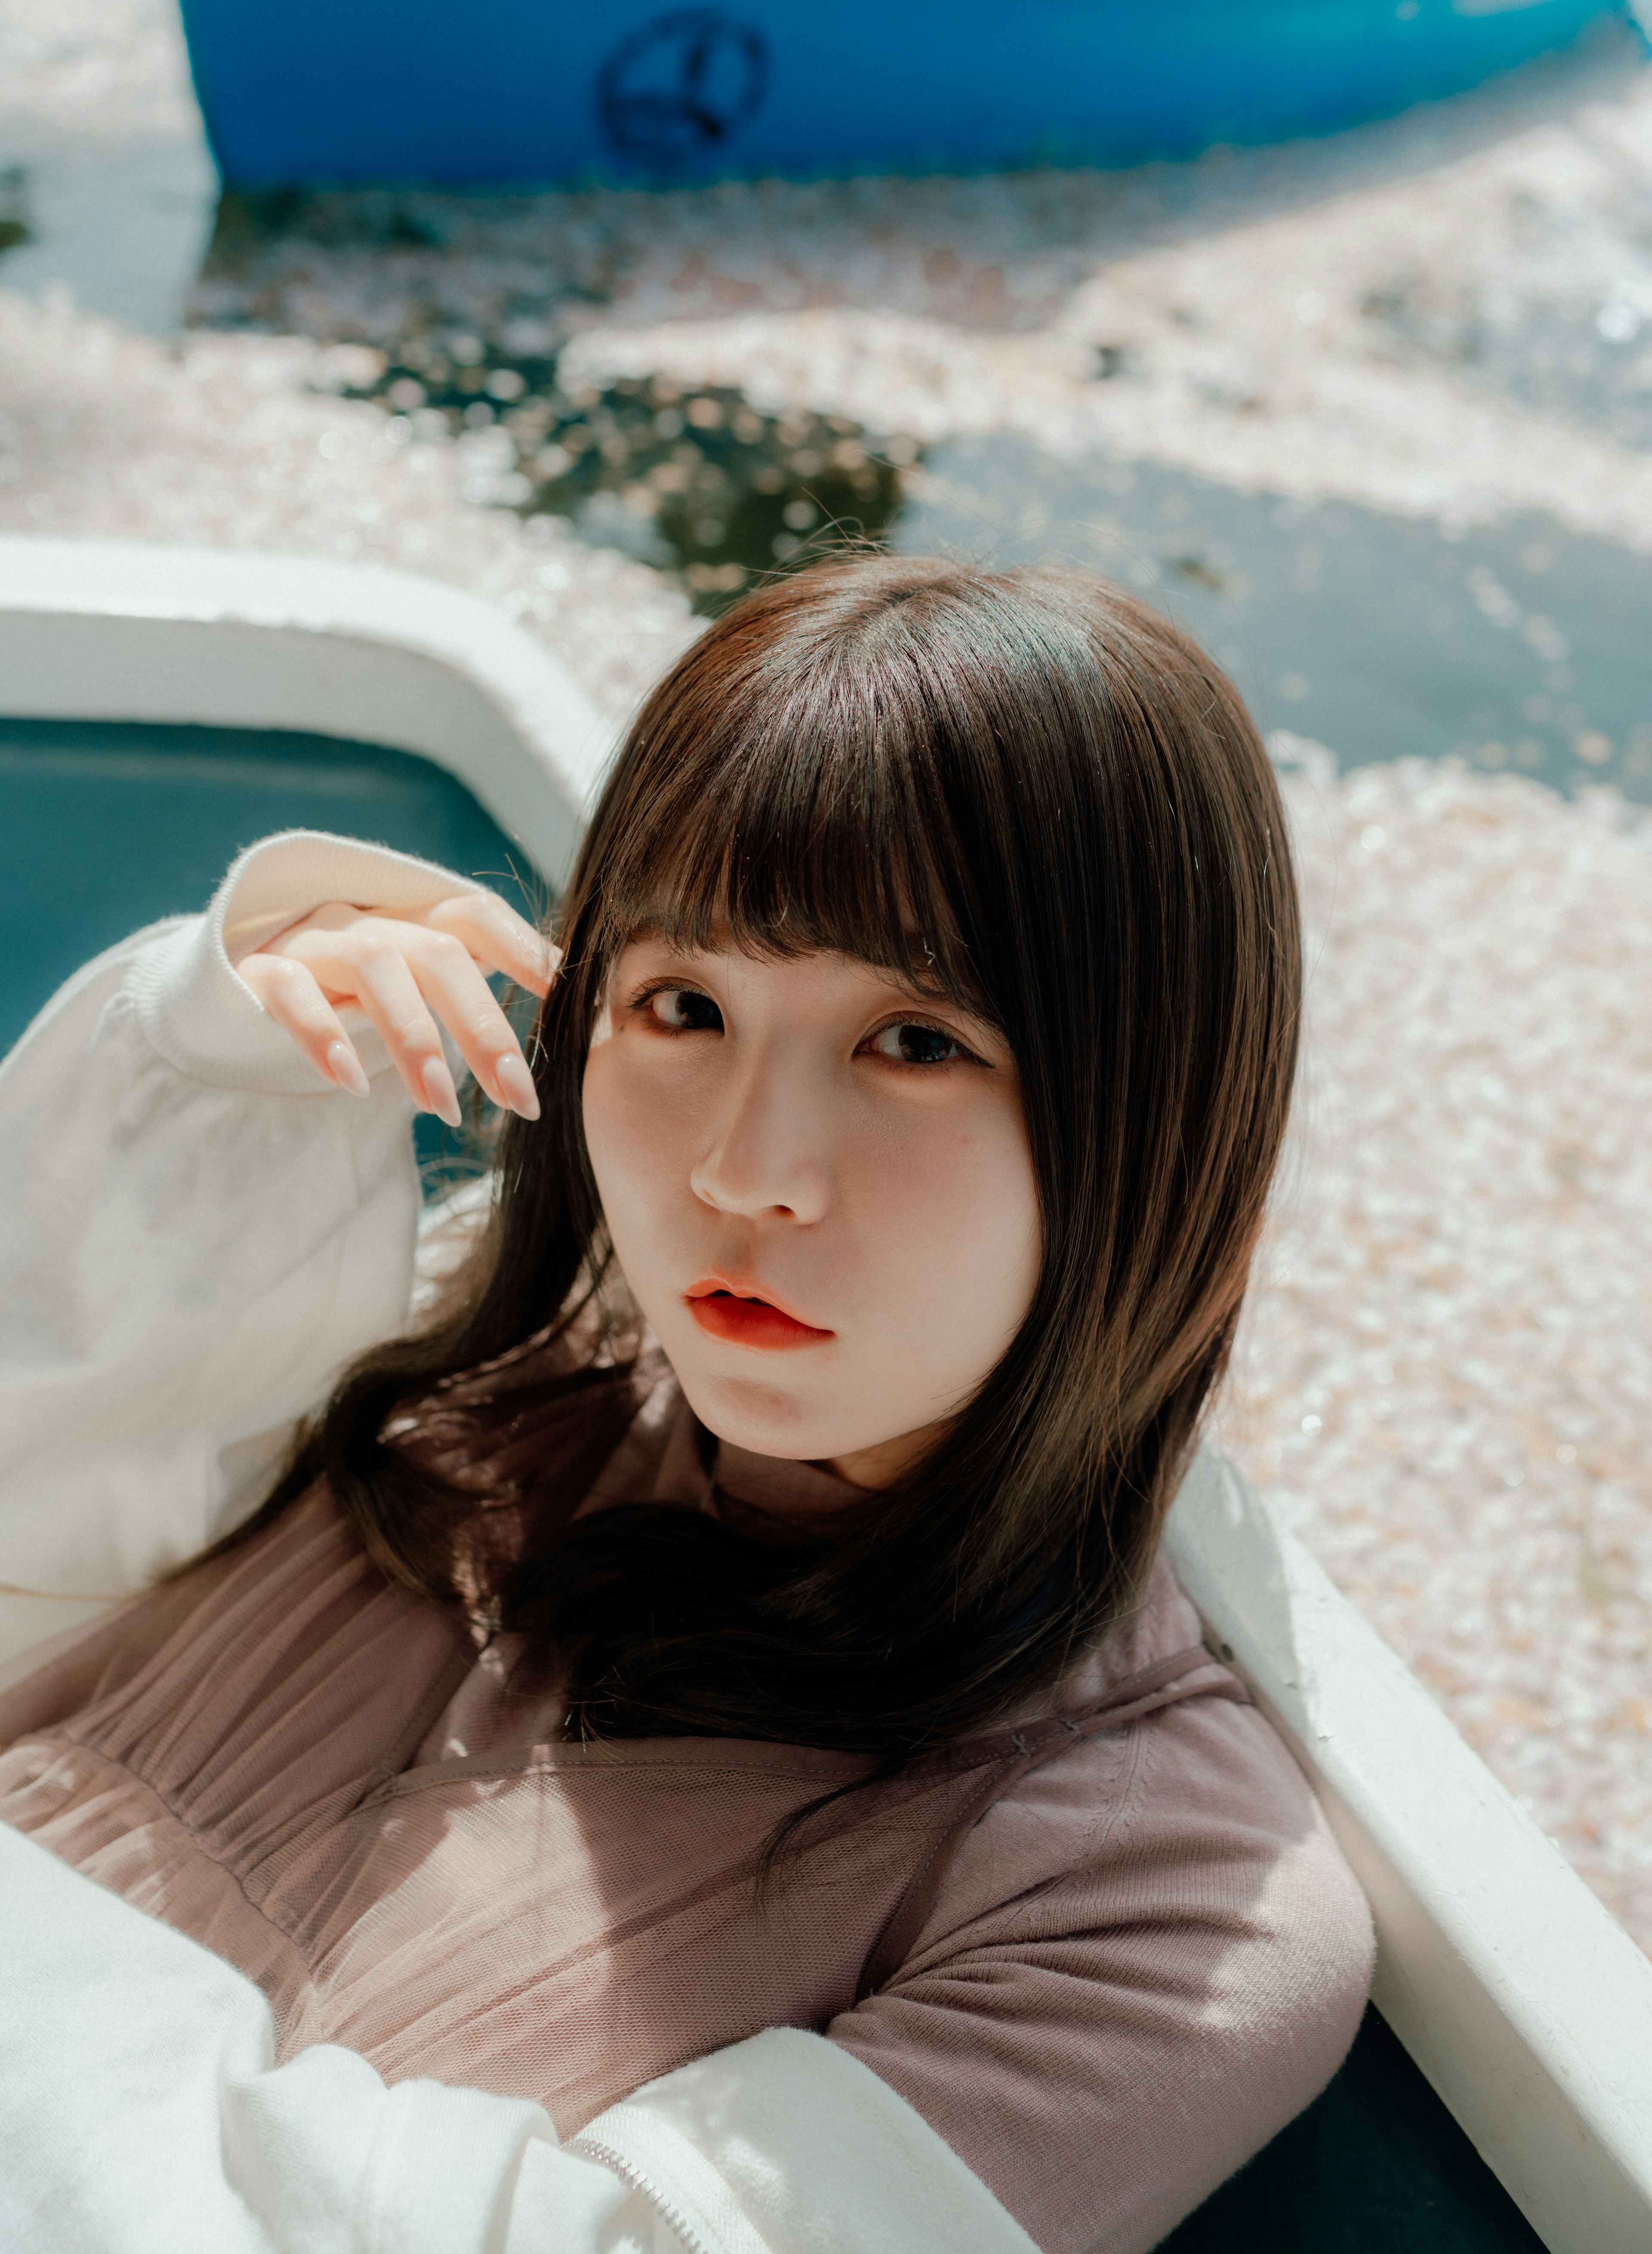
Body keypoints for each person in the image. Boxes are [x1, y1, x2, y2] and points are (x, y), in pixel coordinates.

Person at [0, 559, 1373, 2254]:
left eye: (917, 1041)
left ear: (1156, 1120)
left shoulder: (1154, 1901)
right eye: (684, 1007)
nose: (743, 1168)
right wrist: (194, 1106)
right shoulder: (469, 1376)